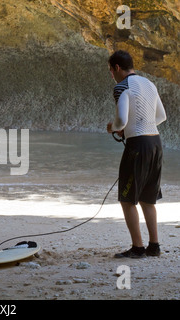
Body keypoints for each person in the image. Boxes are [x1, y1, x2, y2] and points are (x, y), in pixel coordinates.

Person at [107, 50, 167, 258]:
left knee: (127, 198)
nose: (111, 76)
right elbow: (161, 116)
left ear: (116, 68)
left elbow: (121, 120)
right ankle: (154, 246)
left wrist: (113, 128)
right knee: (148, 198)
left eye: (111, 71)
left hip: (138, 146)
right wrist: (138, 125)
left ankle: (138, 247)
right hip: (156, 142)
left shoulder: (121, 87)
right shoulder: (149, 84)